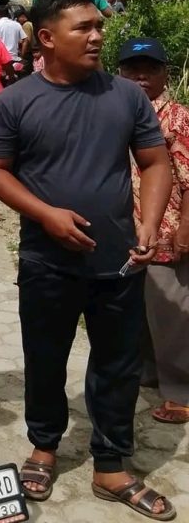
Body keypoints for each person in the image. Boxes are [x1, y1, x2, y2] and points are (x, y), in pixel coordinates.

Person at [0, 0, 175, 519]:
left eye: (98, 26)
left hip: (119, 261)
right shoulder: (14, 102)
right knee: (46, 359)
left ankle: (111, 464)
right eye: (82, 28)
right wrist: (45, 214)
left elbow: (156, 164)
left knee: (117, 366)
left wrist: (150, 223)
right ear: (46, 38)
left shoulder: (125, 96)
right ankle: (44, 446)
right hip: (47, 263)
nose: (96, 36)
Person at [119, 37, 189, 425]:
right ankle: (150, 373)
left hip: (167, 230)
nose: (140, 76)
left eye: (150, 69)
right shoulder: (119, 113)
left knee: (173, 314)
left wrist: (185, 228)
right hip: (127, 233)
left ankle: (182, 392)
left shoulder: (177, 117)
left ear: (166, 73)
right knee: (141, 312)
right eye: (132, 68)